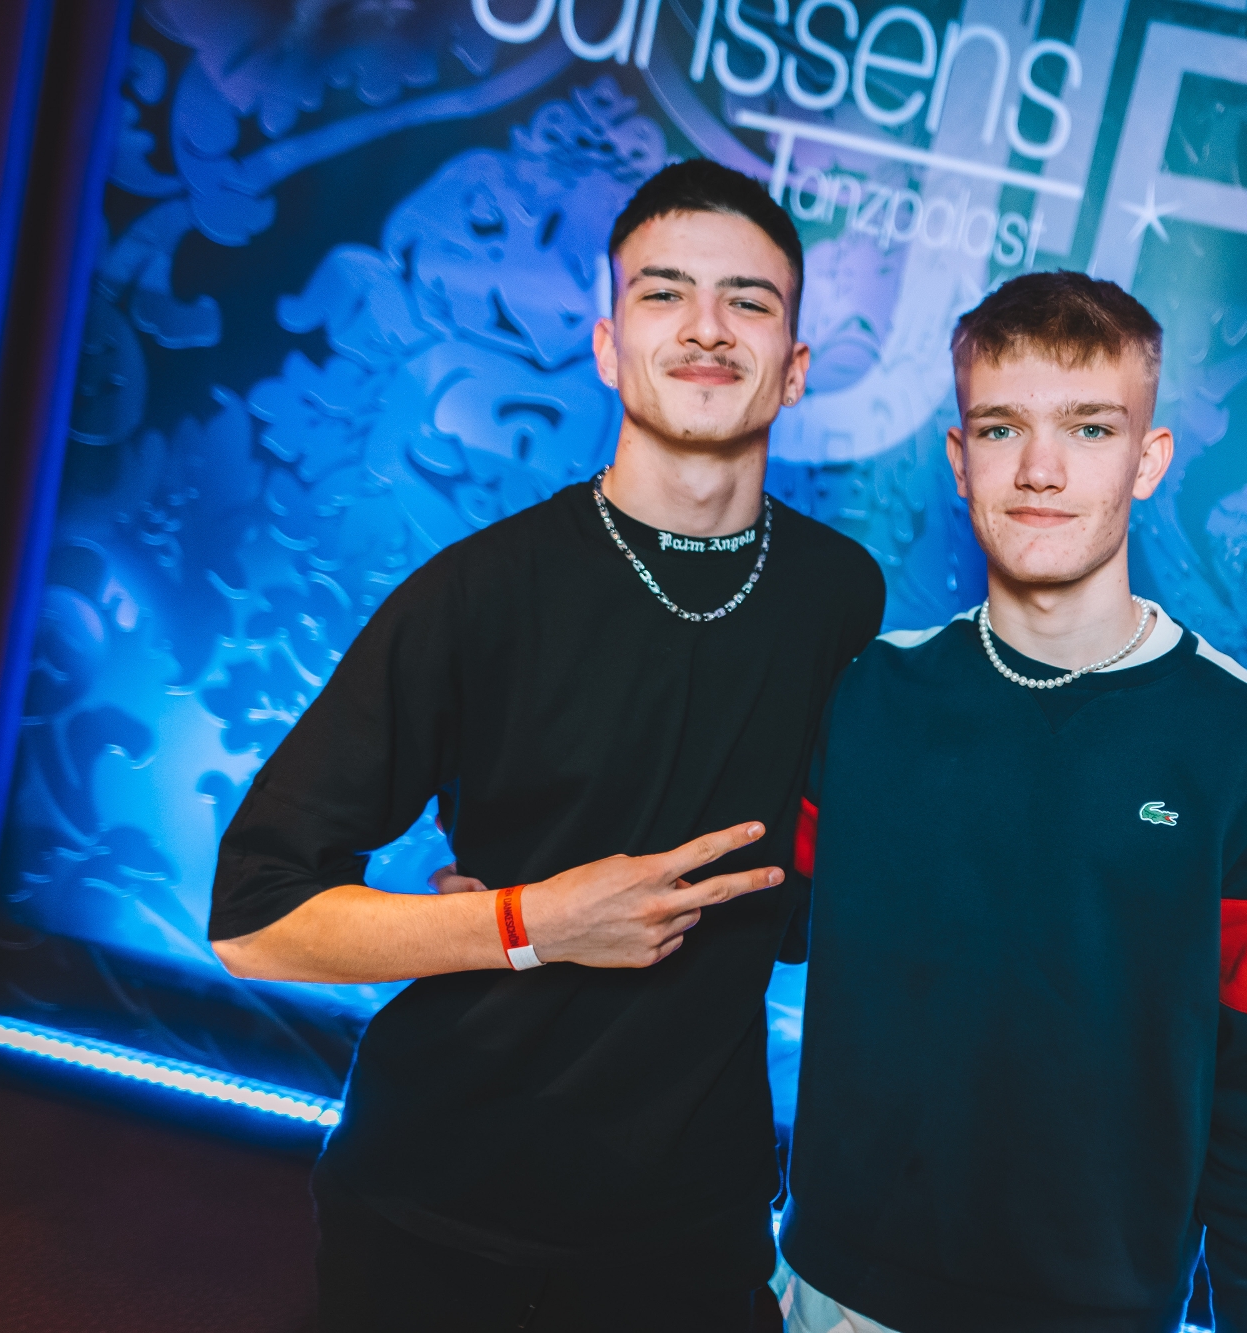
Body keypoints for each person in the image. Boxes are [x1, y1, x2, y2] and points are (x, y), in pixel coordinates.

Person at [208, 159, 884, 1332]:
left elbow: (806, 899)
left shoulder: (839, 596)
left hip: (692, 1229)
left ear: (794, 366)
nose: (707, 328)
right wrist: (525, 923)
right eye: (663, 294)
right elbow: (253, 919)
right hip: (439, 1205)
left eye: (749, 301)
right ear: (608, 347)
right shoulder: (481, 593)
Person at [776, 271, 1247, 1333]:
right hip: (833, 1299)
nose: (1039, 469)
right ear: (959, 460)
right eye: (1001, 428)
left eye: (1089, 429)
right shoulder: (867, 698)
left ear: (1149, 459)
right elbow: (738, 929)